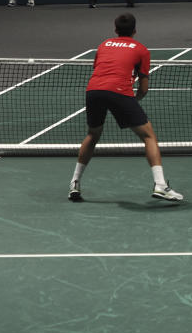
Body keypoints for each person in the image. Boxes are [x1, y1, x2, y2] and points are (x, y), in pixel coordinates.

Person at [69, 13, 184, 203]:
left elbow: (100, 70)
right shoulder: (141, 50)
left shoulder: (104, 45)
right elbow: (144, 88)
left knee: (93, 134)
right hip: (119, 92)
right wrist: (132, 102)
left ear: (115, 30)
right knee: (148, 136)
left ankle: (74, 184)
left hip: (93, 91)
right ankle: (160, 185)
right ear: (135, 30)